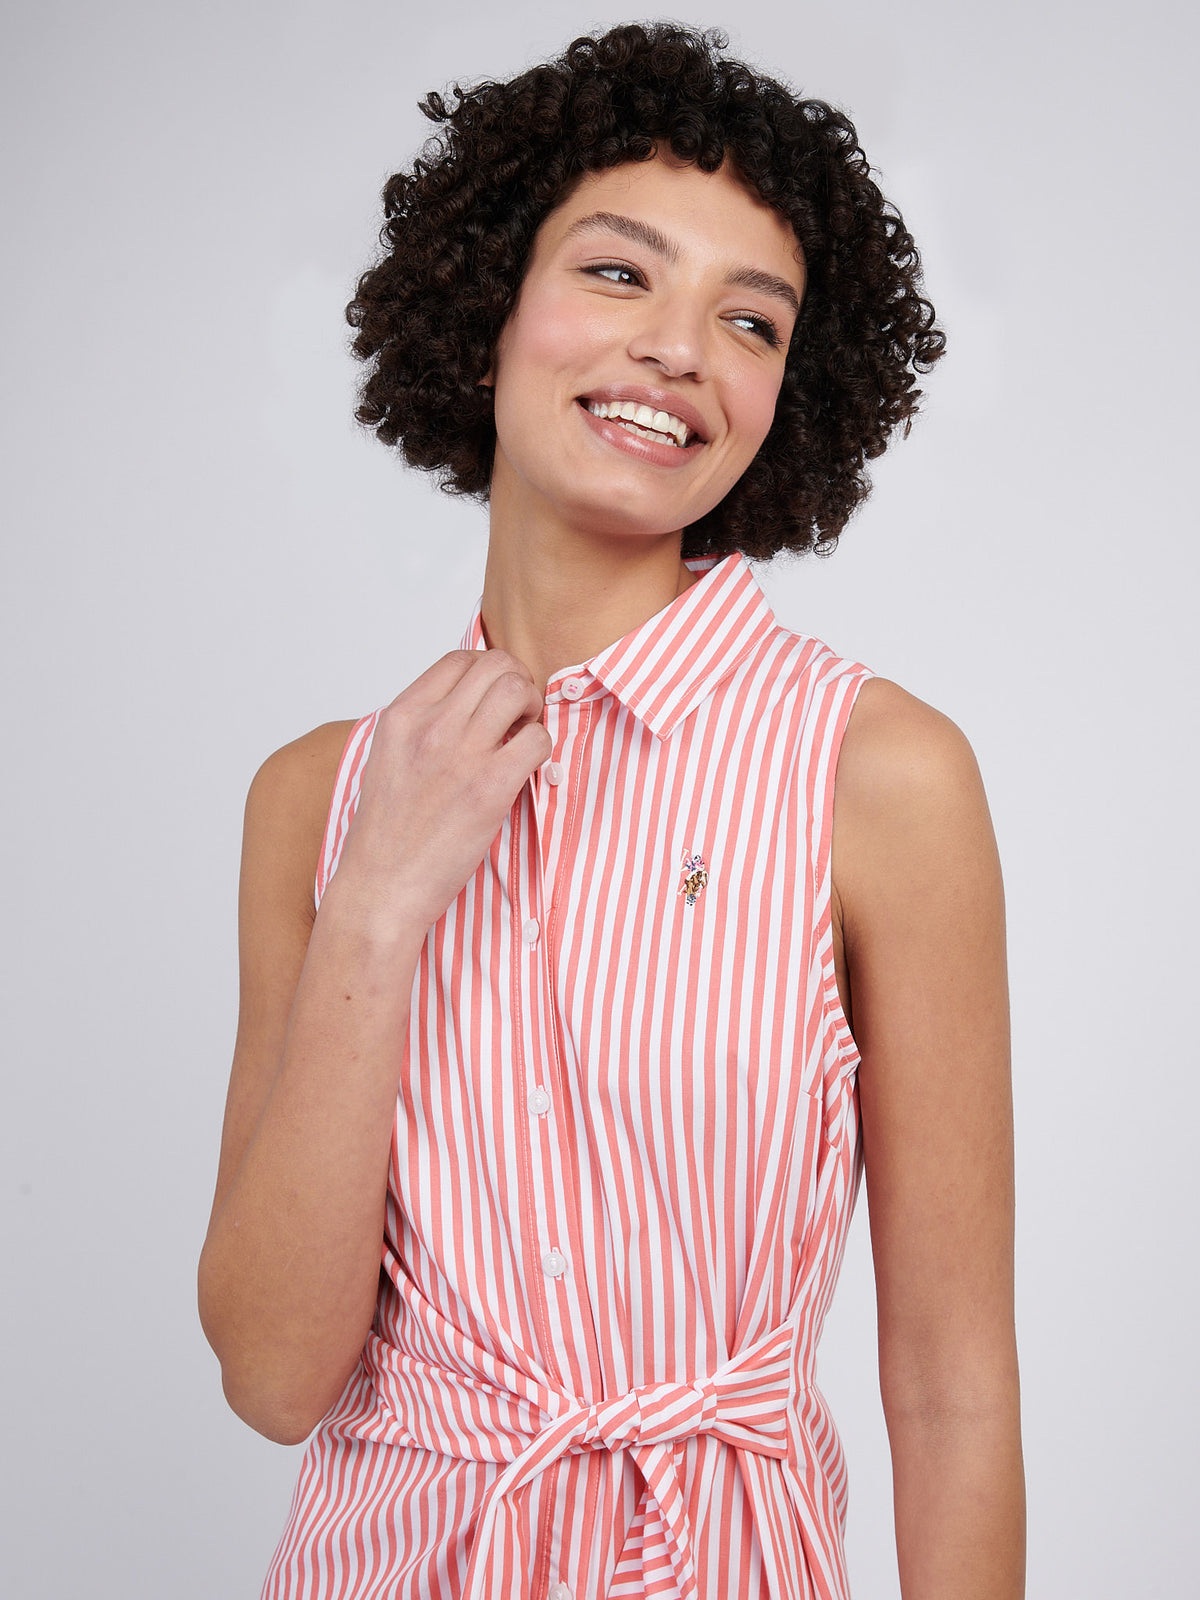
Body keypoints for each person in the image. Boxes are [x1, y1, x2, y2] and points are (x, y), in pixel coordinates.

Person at [198, 21, 1024, 1600]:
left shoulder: (878, 775)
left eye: (751, 320)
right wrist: (379, 899)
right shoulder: (315, 797)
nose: (678, 350)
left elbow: (952, 1385)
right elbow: (274, 1376)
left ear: (789, 396)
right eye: (619, 273)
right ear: (488, 309)